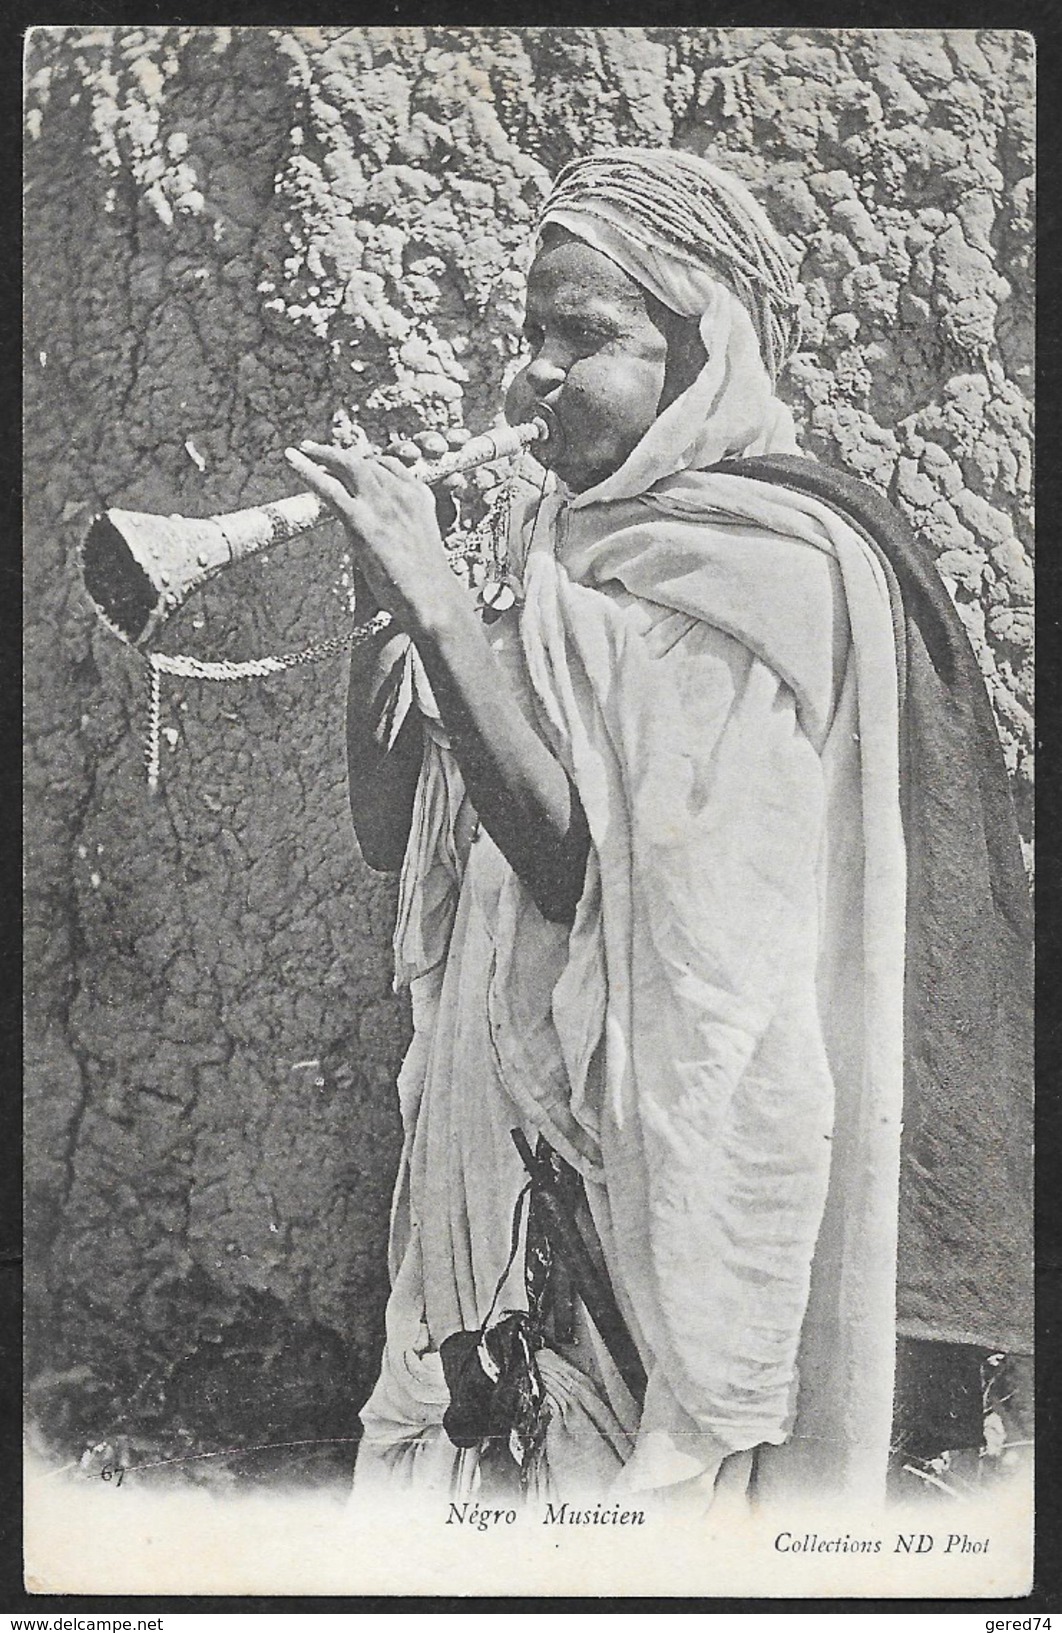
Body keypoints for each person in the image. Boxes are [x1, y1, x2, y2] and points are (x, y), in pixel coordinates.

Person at [285, 148, 1031, 1511]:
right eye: (527, 337)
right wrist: (382, 609)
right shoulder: (536, 549)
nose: (536, 375)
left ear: (703, 352)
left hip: (659, 1162)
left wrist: (446, 617)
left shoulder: (770, 569)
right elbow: (389, 833)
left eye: (588, 338)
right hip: (501, 1152)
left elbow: (595, 878)